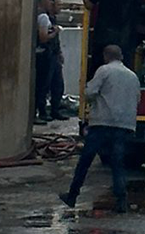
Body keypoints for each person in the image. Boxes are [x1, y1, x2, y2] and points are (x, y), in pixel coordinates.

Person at [59, 45, 139, 214]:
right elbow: (137, 99)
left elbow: (90, 93)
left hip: (102, 123)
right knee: (118, 164)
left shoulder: (104, 71)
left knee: (85, 161)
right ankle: (121, 202)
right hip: (124, 125)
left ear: (105, 56)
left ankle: (72, 196)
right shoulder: (133, 76)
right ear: (121, 56)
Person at [34, 0, 70, 123]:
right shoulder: (42, 17)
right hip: (46, 55)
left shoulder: (49, 17)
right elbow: (43, 38)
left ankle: (54, 110)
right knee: (43, 85)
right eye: (50, 0)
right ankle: (42, 112)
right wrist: (55, 32)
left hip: (52, 54)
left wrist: (59, 52)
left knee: (56, 84)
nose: (52, 4)